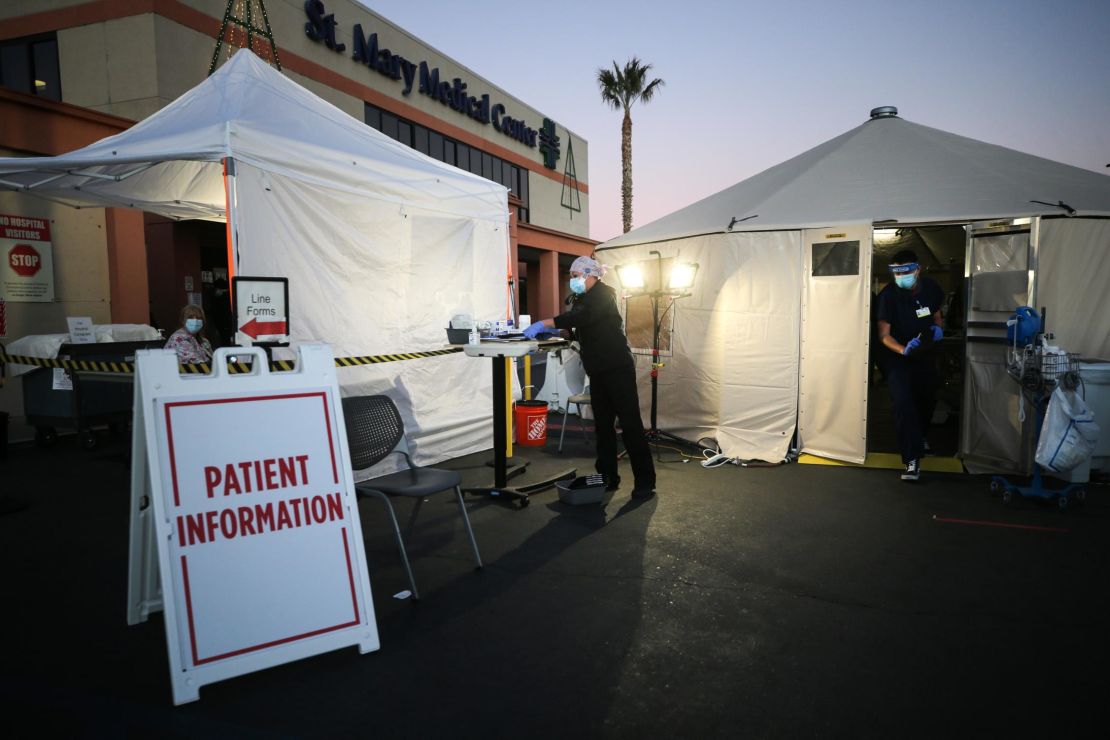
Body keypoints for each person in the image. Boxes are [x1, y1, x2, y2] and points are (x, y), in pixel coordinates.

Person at [523, 255, 656, 499]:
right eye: (571, 277)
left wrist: (545, 322)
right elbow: (584, 327)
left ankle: (645, 481)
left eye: (575, 276)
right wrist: (559, 333)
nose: (572, 281)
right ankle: (607, 477)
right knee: (603, 426)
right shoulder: (583, 298)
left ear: (590, 274)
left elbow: (583, 317)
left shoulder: (604, 294)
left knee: (630, 425)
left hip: (617, 368)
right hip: (597, 370)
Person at [875, 249, 944, 482]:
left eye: (906, 271)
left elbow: (936, 314)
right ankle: (911, 459)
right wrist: (904, 349)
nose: (902, 276)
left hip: (925, 352)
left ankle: (920, 436)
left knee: (927, 399)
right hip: (898, 356)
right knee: (904, 403)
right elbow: (884, 335)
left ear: (918, 269)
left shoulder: (932, 288)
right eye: (897, 272)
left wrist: (938, 328)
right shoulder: (888, 296)